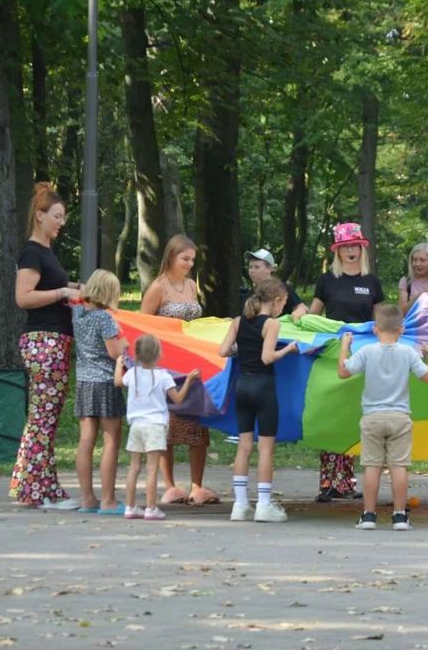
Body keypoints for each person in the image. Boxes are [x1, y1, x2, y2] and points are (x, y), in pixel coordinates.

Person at [11, 182, 84, 509]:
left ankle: (32, 488)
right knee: (43, 418)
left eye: (63, 216)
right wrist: (62, 294)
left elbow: (50, 284)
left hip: (54, 340)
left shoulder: (45, 253)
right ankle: (42, 493)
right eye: (56, 216)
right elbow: (23, 297)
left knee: (42, 418)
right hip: (44, 341)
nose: (61, 222)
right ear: (39, 216)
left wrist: (76, 287)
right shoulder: (31, 252)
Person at [338, 305, 428, 531]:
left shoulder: (367, 352)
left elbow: (343, 372)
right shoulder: (408, 352)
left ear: (374, 329)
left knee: (372, 466)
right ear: (401, 330)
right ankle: (400, 516)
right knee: (398, 466)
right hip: (399, 417)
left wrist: (345, 346)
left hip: (372, 416)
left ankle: (369, 515)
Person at [139, 234, 219, 505]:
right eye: (185, 258)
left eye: (193, 260)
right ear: (171, 257)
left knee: (198, 422)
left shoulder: (192, 285)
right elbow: (144, 327)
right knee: (169, 423)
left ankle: (197, 486)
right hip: (166, 365)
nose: (189, 264)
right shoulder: (157, 288)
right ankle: (170, 485)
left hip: (193, 363)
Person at [309, 221, 385, 502]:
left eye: (355, 246)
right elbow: (313, 317)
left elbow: (380, 322)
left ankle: (346, 482)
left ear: (361, 249)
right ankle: (328, 482)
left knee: (354, 417)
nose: (351, 250)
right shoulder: (327, 280)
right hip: (332, 356)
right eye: (345, 247)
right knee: (332, 415)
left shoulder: (371, 282)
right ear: (337, 252)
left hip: (364, 356)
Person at [219, 278, 298, 523]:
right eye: (283, 303)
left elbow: (223, 351)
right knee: (266, 448)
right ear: (275, 301)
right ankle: (264, 504)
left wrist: (242, 350)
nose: (283, 308)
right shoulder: (271, 324)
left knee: (243, 446)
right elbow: (267, 357)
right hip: (263, 387)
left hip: (242, 386)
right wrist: (289, 349)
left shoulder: (238, 321)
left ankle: (240, 504)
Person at [116, 334, 200, 520]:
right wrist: (189, 380)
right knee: (152, 469)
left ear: (136, 354)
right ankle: (151, 508)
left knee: (134, 468)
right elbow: (178, 399)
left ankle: (130, 507)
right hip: (155, 426)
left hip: (136, 425)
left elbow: (117, 382)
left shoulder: (132, 373)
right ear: (158, 354)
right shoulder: (163, 376)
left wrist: (118, 363)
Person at [71, 269, 129, 514]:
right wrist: (125, 343)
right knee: (111, 442)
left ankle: (87, 499)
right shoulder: (105, 319)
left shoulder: (77, 313)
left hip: (84, 382)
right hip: (105, 383)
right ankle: (108, 501)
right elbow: (114, 353)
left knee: (86, 441)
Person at [241, 249, 308, 321]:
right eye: (250, 267)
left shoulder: (281, 288)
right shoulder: (250, 294)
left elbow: (301, 307)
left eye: (257, 267)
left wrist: (298, 312)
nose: (252, 271)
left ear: (269, 269)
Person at [398, 243, 428, 313]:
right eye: (415, 260)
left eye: (422, 260)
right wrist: (420, 296)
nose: (417, 264)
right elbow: (401, 312)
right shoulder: (406, 281)